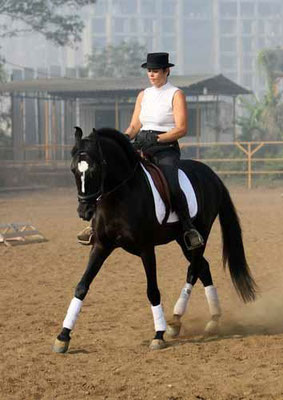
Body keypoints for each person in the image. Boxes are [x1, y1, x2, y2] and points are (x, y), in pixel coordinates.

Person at [78, 52, 203, 250]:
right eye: (149, 71)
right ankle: (94, 225)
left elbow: (181, 128)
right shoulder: (143, 95)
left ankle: (188, 228)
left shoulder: (176, 94)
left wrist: (157, 138)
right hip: (141, 146)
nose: (152, 75)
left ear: (166, 71)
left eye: (156, 71)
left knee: (171, 183)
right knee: (110, 177)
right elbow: (135, 125)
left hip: (165, 149)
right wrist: (125, 139)